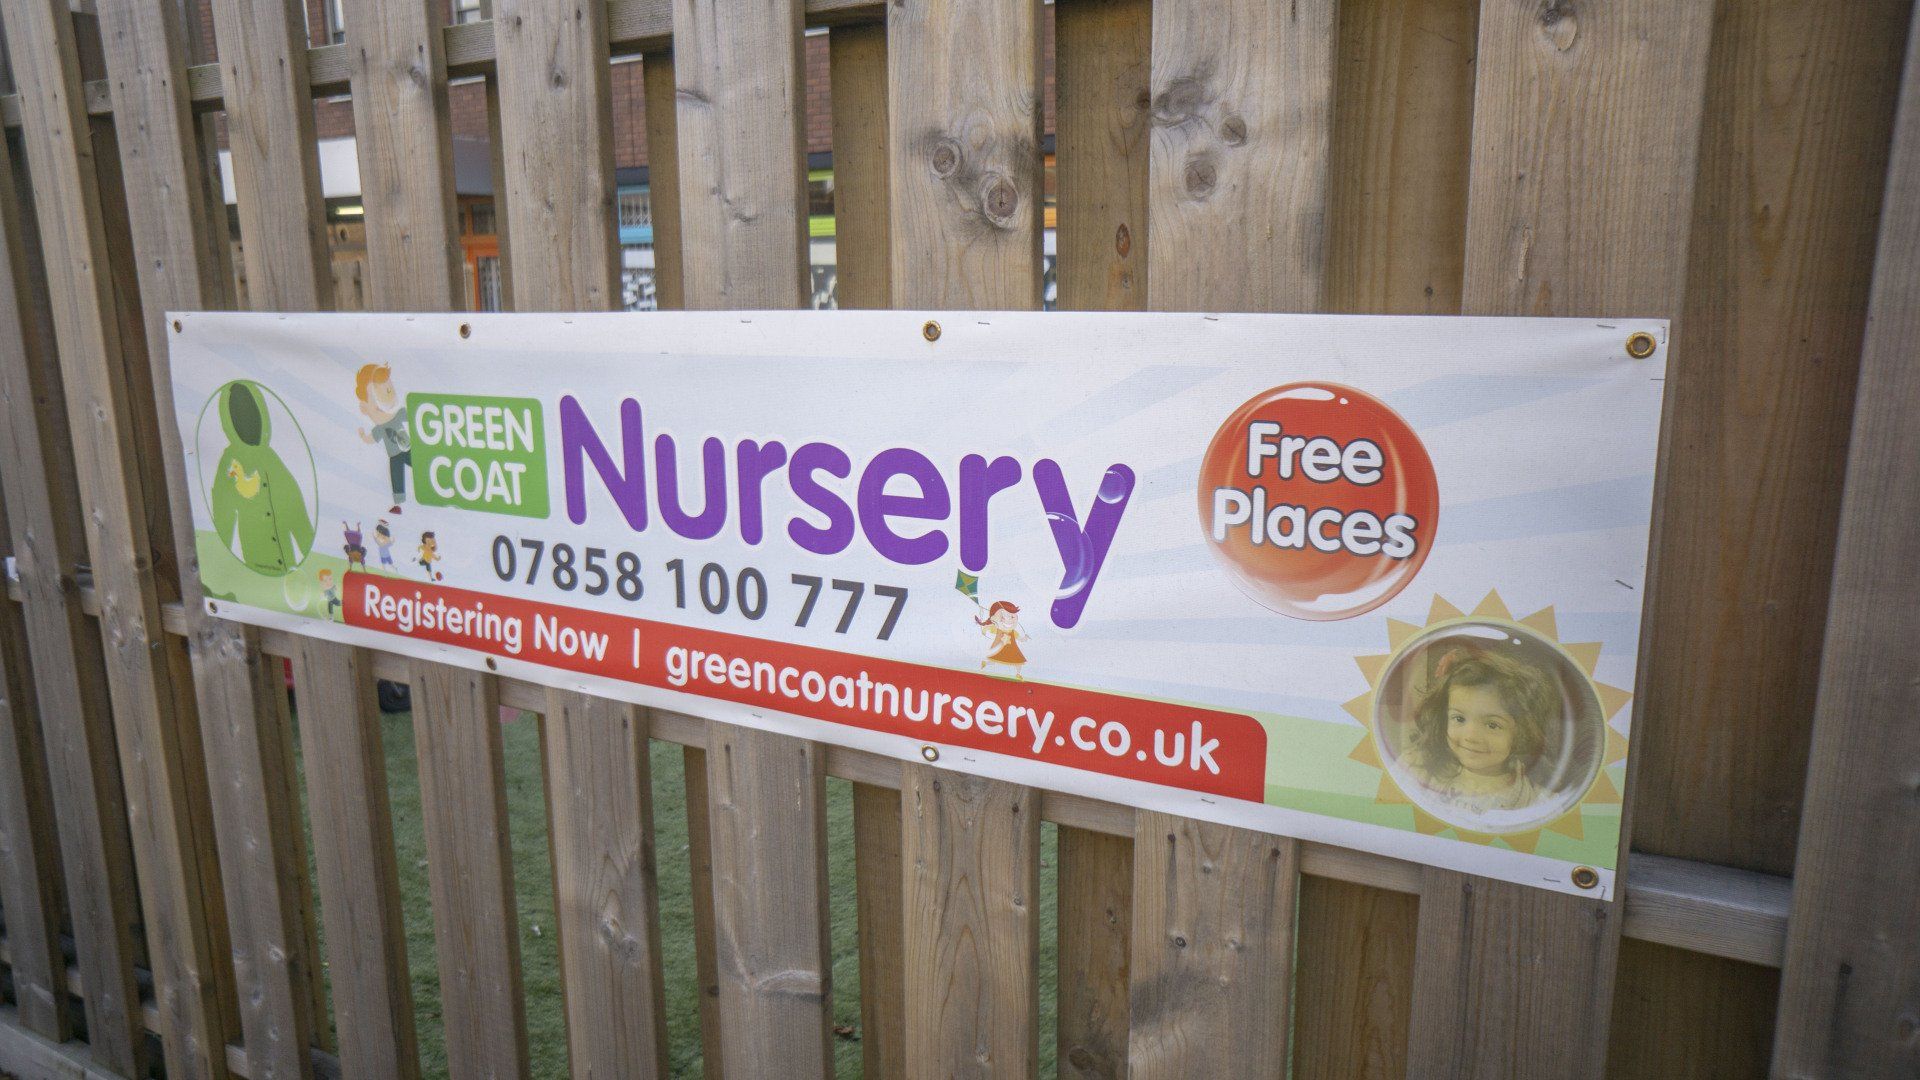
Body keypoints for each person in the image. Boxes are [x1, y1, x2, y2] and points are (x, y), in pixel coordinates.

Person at [1399, 647, 1551, 816]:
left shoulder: (1537, 802)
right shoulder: (1421, 768)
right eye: (1459, 719)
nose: (1471, 737)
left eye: (1492, 725)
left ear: (1521, 731)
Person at [211, 380, 314, 576]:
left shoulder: (269, 458)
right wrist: (220, 564)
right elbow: (222, 511)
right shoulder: (230, 460)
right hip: (254, 556)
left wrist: (307, 544)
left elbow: (294, 501)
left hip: (286, 557)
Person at [355, 363, 410, 514]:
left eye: (390, 391)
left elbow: (412, 415)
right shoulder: (380, 428)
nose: (387, 402)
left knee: (420, 464)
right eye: (377, 402)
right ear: (364, 409)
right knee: (396, 478)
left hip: (407, 448)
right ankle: (399, 503)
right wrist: (362, 436)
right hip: (394, 456)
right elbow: (371, 439)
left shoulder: (397, 415)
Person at [977, 600, 1030, 680]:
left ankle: (1018, 674)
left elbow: (1021, 639)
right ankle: (985, 663)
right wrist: (985, 628)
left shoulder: (1013, 632)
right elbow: (987, 631)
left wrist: (1025, 638)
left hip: (1013, 649)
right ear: (993, 619)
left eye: (1013, 617)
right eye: (1002, 617)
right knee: (994, 660)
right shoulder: (997, 629)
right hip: (1001, 649)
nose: (1009, 620)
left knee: (1018, 662)